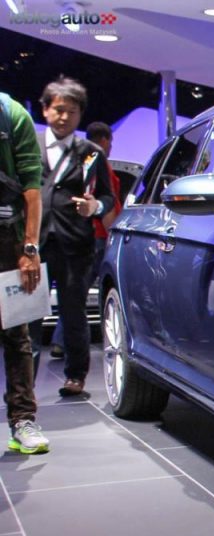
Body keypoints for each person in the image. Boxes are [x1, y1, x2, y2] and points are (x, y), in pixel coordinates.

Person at [36, 77, 114, 397]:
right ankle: (23, 381)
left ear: (80, 114)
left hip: (75, 245)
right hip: (34, 244)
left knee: (73, 313)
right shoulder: (29, 146)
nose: (64, 117)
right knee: (26, 316)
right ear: (45, 110)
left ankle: (75, 376)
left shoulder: (91, 153)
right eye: (59, 109)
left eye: (72, 111)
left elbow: (107, 197)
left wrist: (95, 207)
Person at [0, 91, 49, 453]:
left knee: (16, 332)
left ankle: (23, 421)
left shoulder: (12, 113)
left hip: (7, 236)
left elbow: (32, 186)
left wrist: (30, 249)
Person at [51, 121, 121, 360]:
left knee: (75, 294)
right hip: (99, 237)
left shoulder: (83, 163)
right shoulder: (98, 163)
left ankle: (62, 341)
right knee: (78, 295)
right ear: (104, 140)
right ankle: (65, 342)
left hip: (84, 236)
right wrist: (111, 231)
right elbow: (105, 202)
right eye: (110, 142)